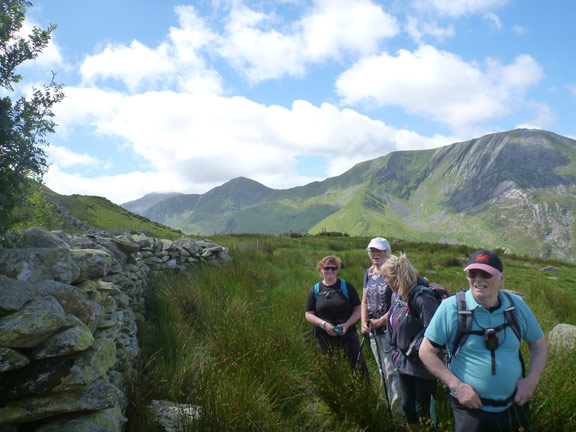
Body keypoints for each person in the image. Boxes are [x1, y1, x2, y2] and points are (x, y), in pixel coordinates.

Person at [419, 249, 547, 432]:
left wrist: (531, 381)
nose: (478, 279)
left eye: (486, 273)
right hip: (469, 410)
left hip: (515, 405)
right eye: (472, 273)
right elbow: (426, 351)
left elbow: (538, 346)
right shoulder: (451, 308)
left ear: (501, 278)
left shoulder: (517, 306)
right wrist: (457, 387)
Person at [381, 254, 439, 432]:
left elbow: (436, 331)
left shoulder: (422, 298)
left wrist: (417, 348)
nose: (385, 281)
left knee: (423, 410)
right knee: (408, 407)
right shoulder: (398, 297)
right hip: (404, 361)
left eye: (387, 277)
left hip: (423, 364)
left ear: (398, 278)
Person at [305, 255, 367, 375]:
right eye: (326, 268)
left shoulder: (347, 287)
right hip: (323, 335)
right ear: (321, 270)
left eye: (333, 268)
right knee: (329, 369)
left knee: (359, 367)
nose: (330, 271)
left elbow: (359, 309)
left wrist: (347, 325)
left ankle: (365, 390)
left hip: (348, 333)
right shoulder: (315, 290)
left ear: (337, 270)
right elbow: (308, 314)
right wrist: (324, 325)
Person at [360, 237, 402, 413]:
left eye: (378, 250)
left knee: (392, 371)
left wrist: (381, 321)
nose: (374, 254)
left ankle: (399, 412)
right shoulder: (368, 273)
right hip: (373, 332)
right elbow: (364, 301)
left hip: (389, 331)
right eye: (372, 250)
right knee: (381, 369)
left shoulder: (393, 272)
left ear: (387, 252)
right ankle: (388, 407)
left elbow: (398, 303)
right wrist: (363, 322)